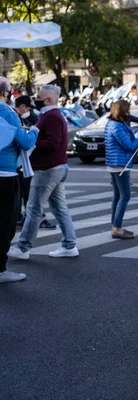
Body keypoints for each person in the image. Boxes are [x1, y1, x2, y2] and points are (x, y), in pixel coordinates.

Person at [8, 84, 78, 260]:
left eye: (38, 97)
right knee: (60, 209)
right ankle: (70, 245)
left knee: (33, 209)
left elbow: (53, 144)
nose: (34, 100)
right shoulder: (50, 115)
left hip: (47, 169)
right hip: (56, 167)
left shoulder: (51, 116)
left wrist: (32, 140)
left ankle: (23, 247)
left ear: (48, 100)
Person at [0, 77, 38, 282]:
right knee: (6, 223)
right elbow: (23, 143)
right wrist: (34, 132)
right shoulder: (8, 113)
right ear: (6, 93)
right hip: (6, 175)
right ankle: (1, 270)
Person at [104, 100, 138, 239]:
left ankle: (115, 225)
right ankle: (117, 228)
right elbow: (129, 146)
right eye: (127, 110)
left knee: (117, 196)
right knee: (125, 196)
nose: (129, 113)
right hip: (120, 164)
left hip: (114, 164)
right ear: (122, 111)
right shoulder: (117, 127)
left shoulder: (111, 124)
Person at [13, 95, 56, 230]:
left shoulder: (30, 117)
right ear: (22, 107)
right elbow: (26, 141)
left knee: (24, 192)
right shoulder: (15, 117)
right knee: (28, 192)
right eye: (28, 108)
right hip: (22, 162)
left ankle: (21, 217)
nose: (29, 111)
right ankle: (33, 218)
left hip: (21, 162)